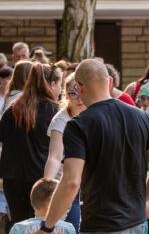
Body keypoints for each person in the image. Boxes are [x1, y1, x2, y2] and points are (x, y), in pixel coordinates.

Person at [38, 59, 149, 234]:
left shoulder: (78, 125)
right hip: (136, 222)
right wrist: (140, 200)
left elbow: (71, 182)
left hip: (99, 223)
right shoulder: (141, 116)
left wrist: (47, 227)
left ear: (79, 87)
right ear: (109, 82)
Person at [0, 63, 62, 226]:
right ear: (53, 84)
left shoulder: (13, 109)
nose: (61, 90)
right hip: (42, 179)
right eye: (60, 84)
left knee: (19, 225)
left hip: (13, 179)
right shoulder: (56, 112)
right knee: (41, 225)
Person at [43, 73, 85, 233]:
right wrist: (48, 185)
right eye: (73, 94)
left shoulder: (95, 113)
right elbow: (54, 157)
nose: (78, 98)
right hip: (68, 184)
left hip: (93, 186)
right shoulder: (61, 120)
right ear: (66, 95)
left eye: (81, 92)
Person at [9, 178, 75, 234]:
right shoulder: (68, 228)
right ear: (53, 205)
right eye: (66, 205)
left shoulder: (18, 227)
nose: (68, 209)